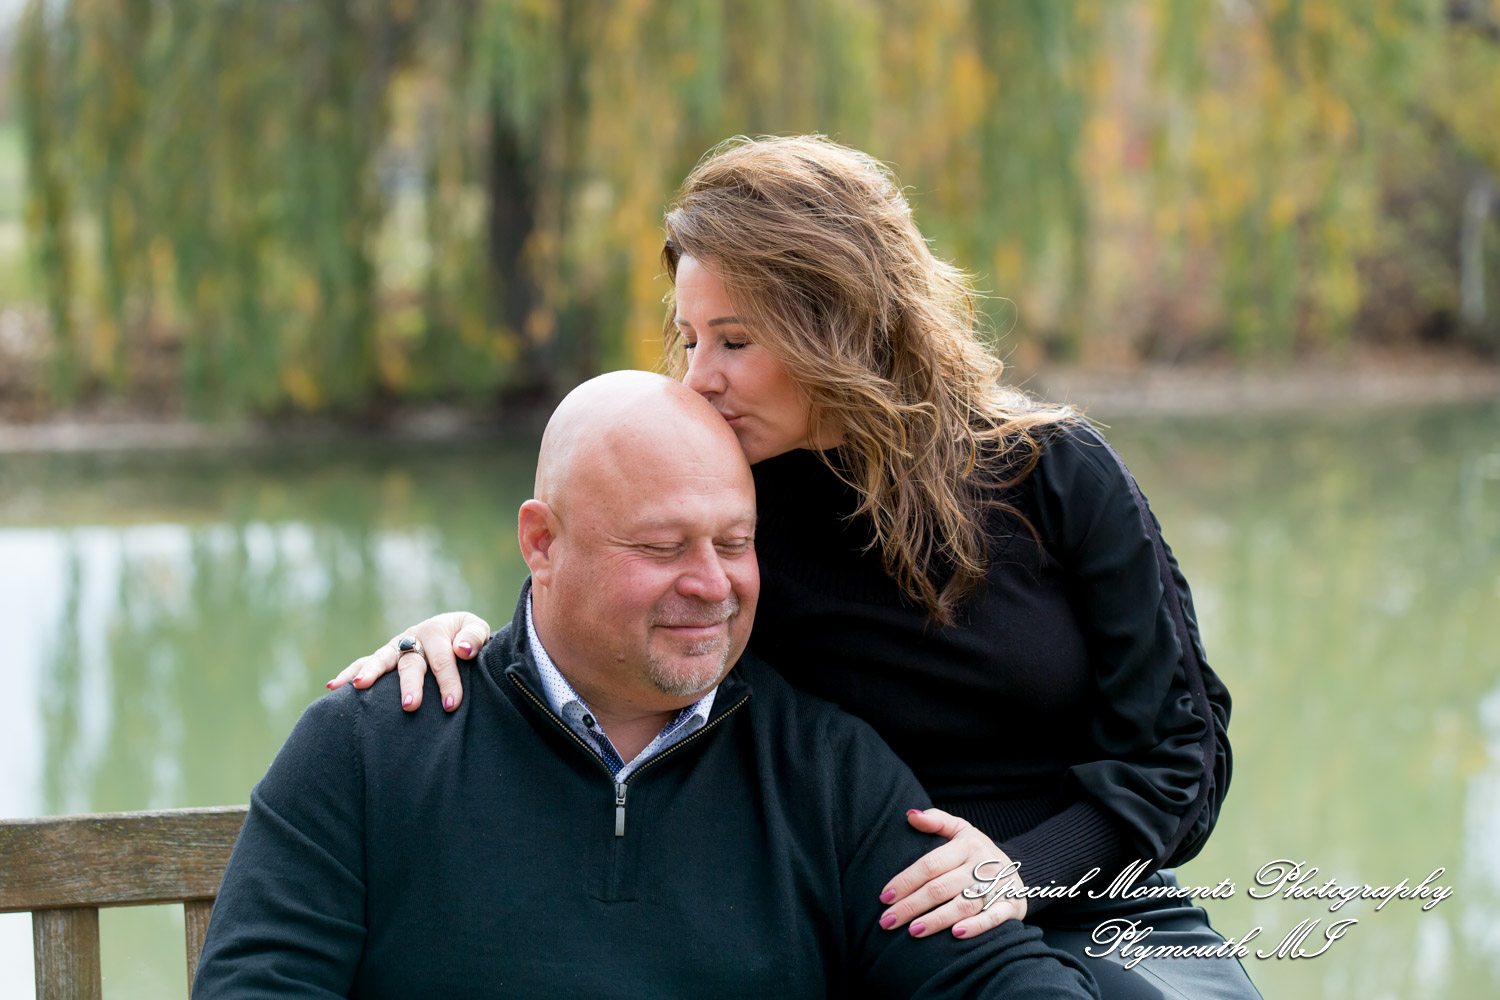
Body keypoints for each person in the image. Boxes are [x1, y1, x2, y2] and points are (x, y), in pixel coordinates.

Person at [332, 136, 1257, 998]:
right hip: (850, 923)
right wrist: (457, 640)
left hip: (1098, 903)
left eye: (735, 340)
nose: (700, 376)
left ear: (846, 325)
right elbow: (585, 656)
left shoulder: (1052, 471)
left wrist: (1020, 873)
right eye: (691, 340)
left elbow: (1180, 756)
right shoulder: (726, 510)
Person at [194, 371, 1098, 1000]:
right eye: (663, 548)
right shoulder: (371, 745)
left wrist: (1013, 885)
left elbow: (992, 982)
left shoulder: (826, 772)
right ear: (542, 543)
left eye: (735, 543)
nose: (712, 584)